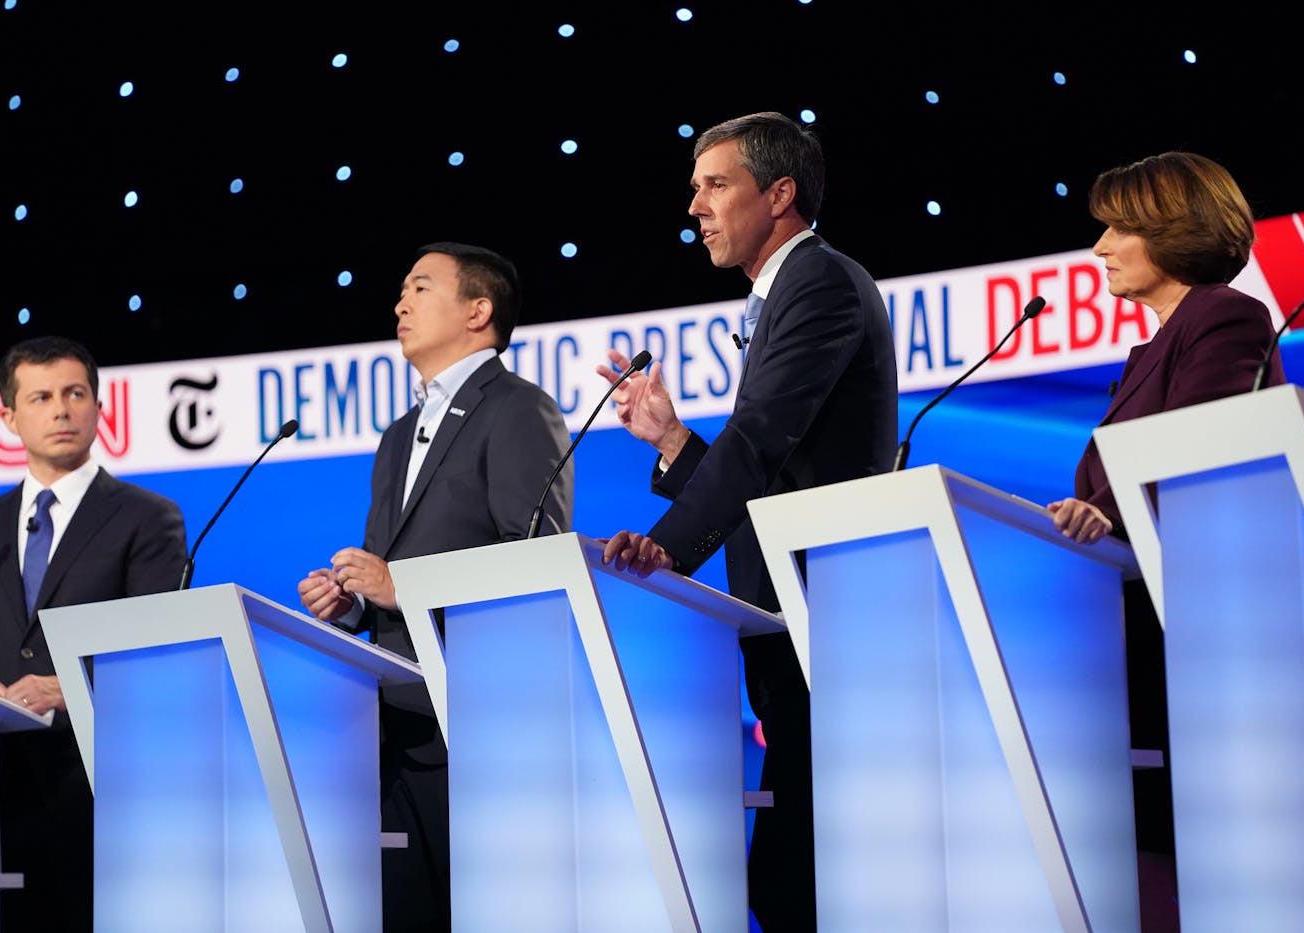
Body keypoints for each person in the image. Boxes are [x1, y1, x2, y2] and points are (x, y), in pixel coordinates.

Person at [597, 112, 898, 931]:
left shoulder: (822, 283)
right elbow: (771, 479)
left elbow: (761, 439)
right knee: (787, 884)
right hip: (792, 628)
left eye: (715, 184)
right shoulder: (787, 294)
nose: (694, 206)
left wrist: (668, 546)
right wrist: (670, 440)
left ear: (781, 193)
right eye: (696, 188)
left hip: (829, 622)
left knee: (801, 885)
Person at [297, 241, 573, 932]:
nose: (400, 303)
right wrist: (352, 598)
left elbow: (535, 560)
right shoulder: (397, 435)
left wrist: (401, 583)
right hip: (393, 731)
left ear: (479, 310)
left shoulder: (518, 408)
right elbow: (389, 573)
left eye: (420, 288)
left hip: (479, 723)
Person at [1046, 151, 1285, 932]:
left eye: (1119, 227)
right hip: (1133, 631)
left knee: (1172, 832)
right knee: (1136, 832)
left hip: (1191, 632)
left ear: (1173, 232)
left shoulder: (1225, 315)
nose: (1100, 247)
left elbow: (1193, 444)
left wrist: (1104, 512)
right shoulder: (1151, 350)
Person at [0, 335, 188, 933]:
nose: (62, 409)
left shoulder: (149, 517)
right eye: (41, 397)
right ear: (9, 418)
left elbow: (154, 647)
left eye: (75, 393)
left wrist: (69, 687)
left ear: (99, 406)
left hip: (97, 786)